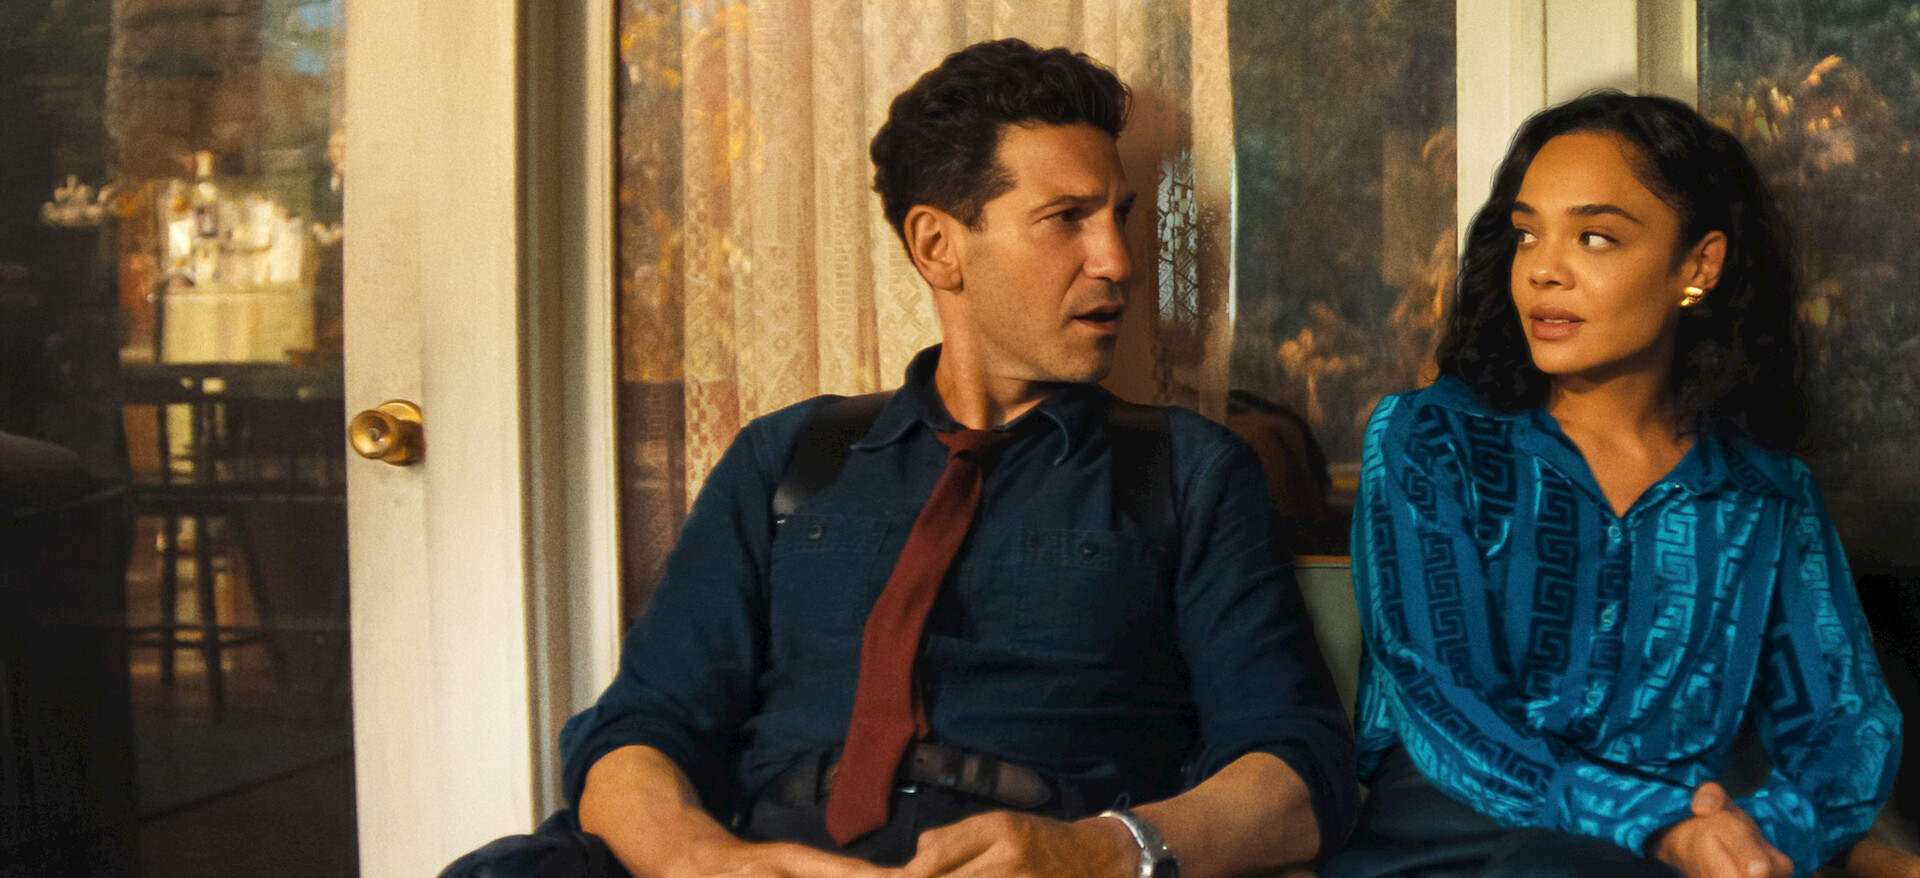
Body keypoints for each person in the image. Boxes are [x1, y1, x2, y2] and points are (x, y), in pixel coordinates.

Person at [444, 38, 1354, 878]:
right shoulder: (790, 460)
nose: (1117, 259)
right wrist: (709, 863)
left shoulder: (1186, 472)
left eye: (1117, 216)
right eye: (1066, 219)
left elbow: (1298, 775)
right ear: (937, 246)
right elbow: (637, 733)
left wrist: (1099, 853)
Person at [1322, 91, 1902, 878]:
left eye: (1594, 237)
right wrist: (1661, 824)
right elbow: (1440, 700)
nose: (1544, 270)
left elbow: (1849, 728)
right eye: (1528, 234)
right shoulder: (1431, 440)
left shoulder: (1764, 495)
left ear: (1697, 266)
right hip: (1447, 845)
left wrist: (1758, 834)